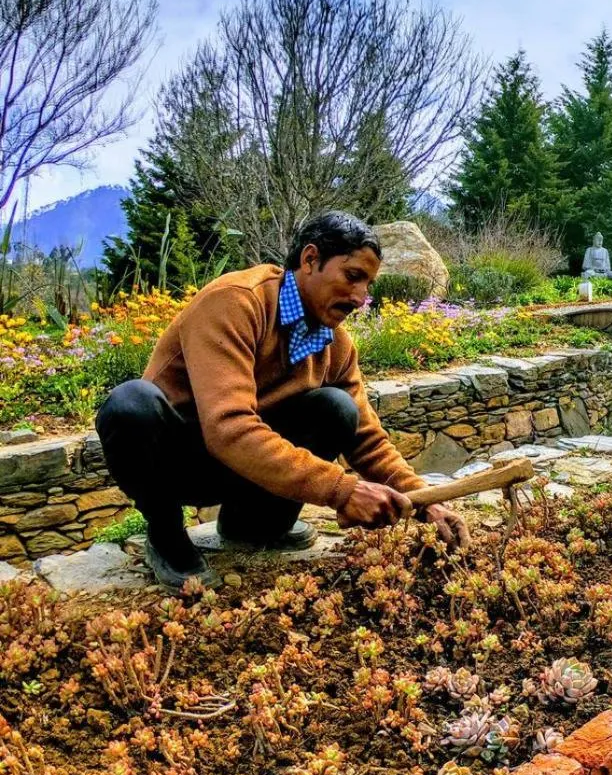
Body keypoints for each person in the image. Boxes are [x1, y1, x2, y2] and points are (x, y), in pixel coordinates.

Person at [96, 212, 468, 589]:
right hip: (183, 459)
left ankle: (253, 527)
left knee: (337, 408)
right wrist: (341, 490)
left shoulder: (335, 344)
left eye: (367, 284)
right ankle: (166, 535)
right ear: (310, 260)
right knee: (130, 404)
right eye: (352, 276)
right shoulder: (236, 304)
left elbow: (367, 440)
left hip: (253, 466)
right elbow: (228, 428)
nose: (360, 298)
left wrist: (425, 501)